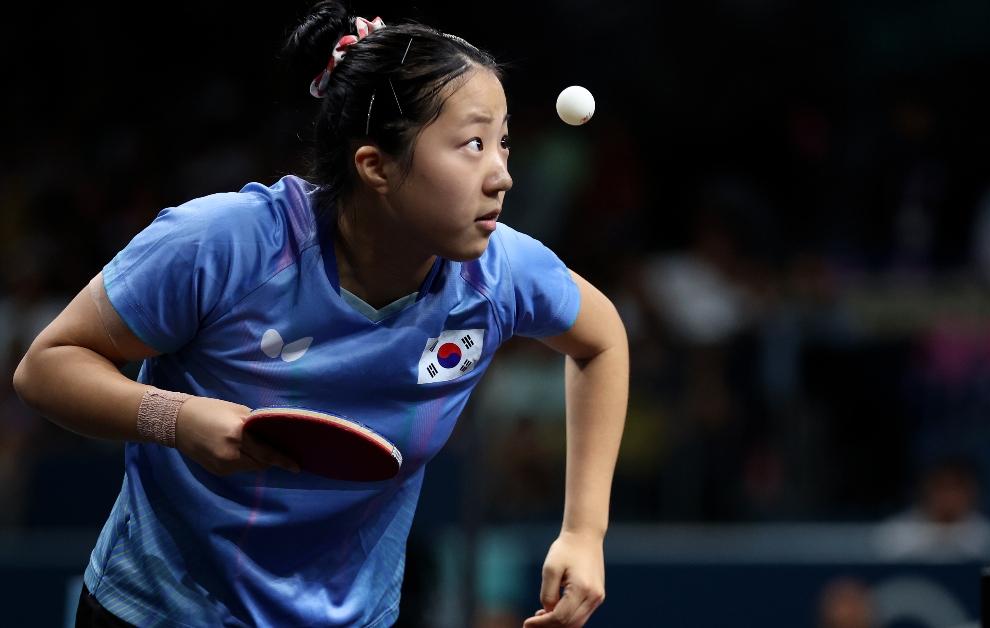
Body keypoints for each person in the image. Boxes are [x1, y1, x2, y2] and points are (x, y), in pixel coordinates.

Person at [12, 2, 629, 626]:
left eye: (502, 143)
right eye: (472, 144)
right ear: (376, 166)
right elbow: (46, 368)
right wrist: (175, 416)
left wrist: (584, 532)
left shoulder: (497, 276)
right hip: (158, 611)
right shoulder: (226, 245)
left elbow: (602, 340)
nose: (502, 176)